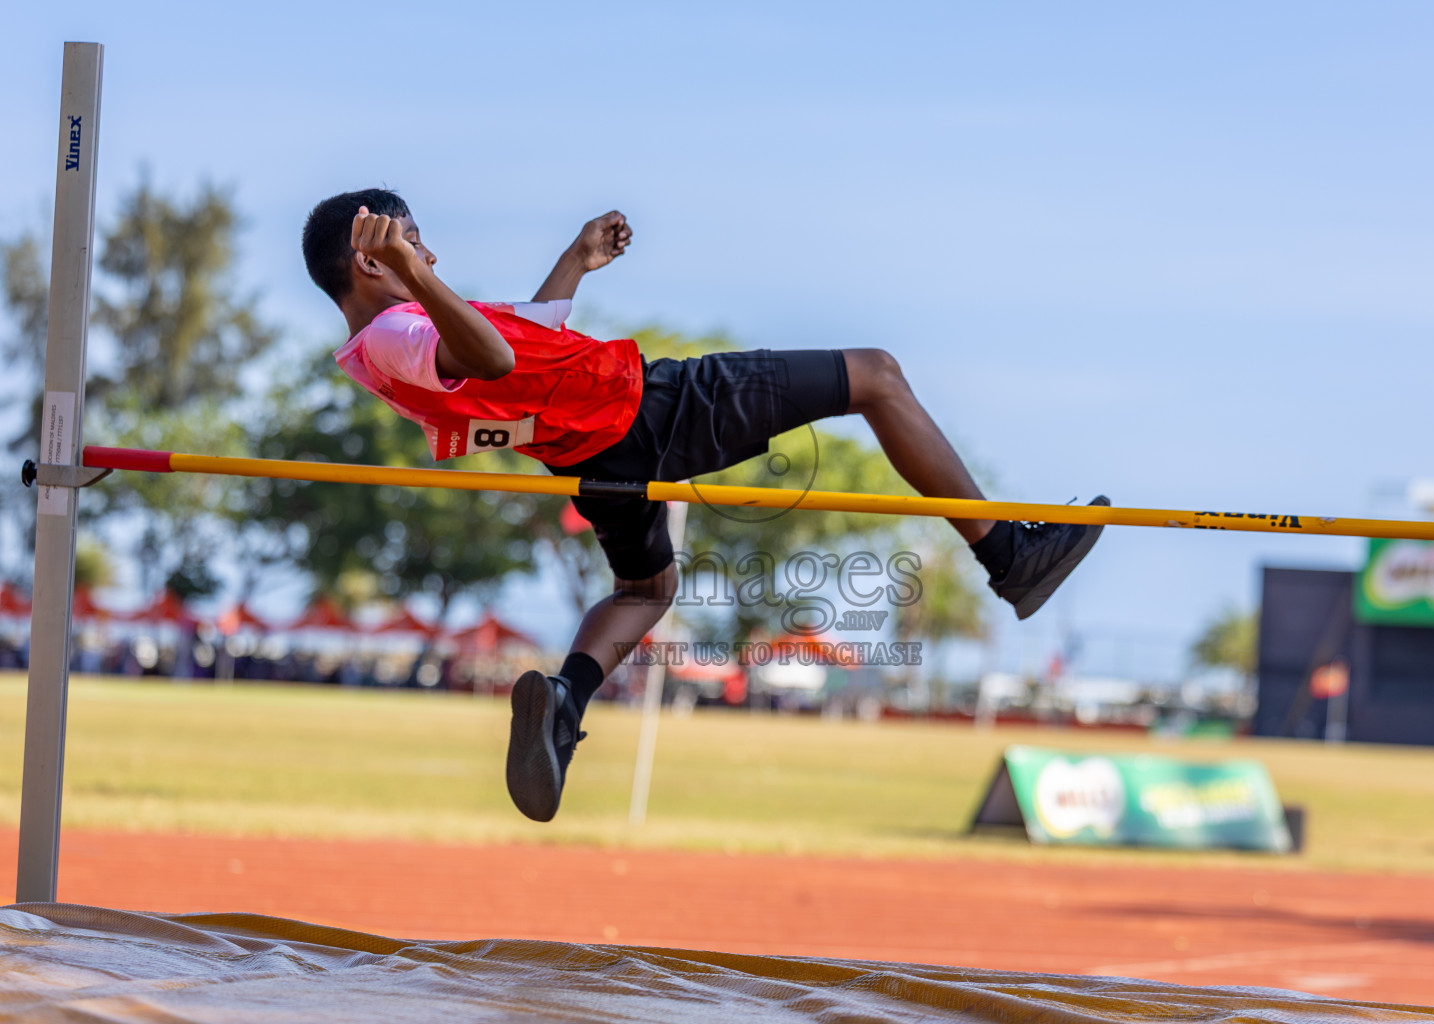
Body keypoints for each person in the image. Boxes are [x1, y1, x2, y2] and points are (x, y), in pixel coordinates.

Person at [301, 188, 1108, 822]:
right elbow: (494, 352)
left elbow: (523, 341)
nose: (429, 252)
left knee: (646, 592)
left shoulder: (383, 349)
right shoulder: (399, 330)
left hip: (591, 457)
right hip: (652, 408)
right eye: (414, 240)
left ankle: (565, 704)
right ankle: (1007, 555)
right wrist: (413, 270)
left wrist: (574, 262)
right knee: (876, 374)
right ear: (371, 259)